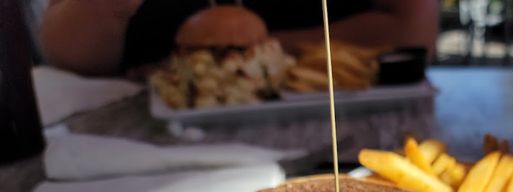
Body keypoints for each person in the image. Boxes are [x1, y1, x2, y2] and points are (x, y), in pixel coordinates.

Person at [40, 0, 439, 76]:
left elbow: (414, 31)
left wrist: (246, 55)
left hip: (349, 126)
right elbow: (65, 48)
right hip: (142, 141)